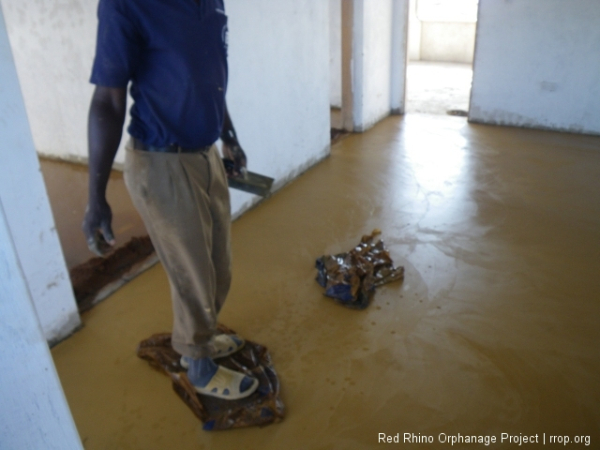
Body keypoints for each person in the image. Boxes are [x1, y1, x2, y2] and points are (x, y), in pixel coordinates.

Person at [83, 0, 258, 400]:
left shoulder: (212, 3)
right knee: (192, 274)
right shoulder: (125, 6)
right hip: (161, 161)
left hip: (205, 154)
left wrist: (229, 140)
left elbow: (210, 78)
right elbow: (107, 102)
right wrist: (95, 197)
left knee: (218, 266)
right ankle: (198, 366)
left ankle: (198, 340)